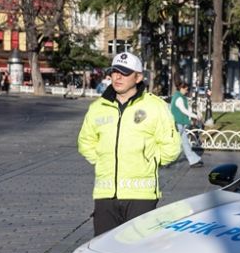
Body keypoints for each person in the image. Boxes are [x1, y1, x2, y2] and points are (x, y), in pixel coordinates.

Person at [77, 52, 181, 236]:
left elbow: (171, 148)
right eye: (114, 71)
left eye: (124, 72)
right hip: (105, 195)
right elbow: (86, 142)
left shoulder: (155, 107)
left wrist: (149, 162)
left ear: (138, 77)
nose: (117, 77)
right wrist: (102, 160)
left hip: (141, 197)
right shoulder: (97, 107)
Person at [170, 80, 204, 168]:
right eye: (186, 89)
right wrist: (195, 116)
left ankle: (193, 160)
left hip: (179, 124)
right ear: (181, 88)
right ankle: (162, 159)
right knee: (175, 143)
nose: (187, 91)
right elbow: (184, 110)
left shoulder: (180, 97)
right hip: (176, 124)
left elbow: (188, 108)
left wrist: (196, 114)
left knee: (185, 143)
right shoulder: (179, 98)